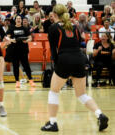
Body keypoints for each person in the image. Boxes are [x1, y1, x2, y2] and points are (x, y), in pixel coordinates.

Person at [41, 4, 109, 132]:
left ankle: (52, 123)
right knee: (82, 94)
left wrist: (57, 65)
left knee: (54, 91)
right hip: (79, 59)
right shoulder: (75, 26)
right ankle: (100, 114)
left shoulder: (53, 28)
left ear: (54, 15)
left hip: (64, 59)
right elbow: (78, 44)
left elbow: (54, 51)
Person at [6, 15, 36, 88]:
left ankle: (31, 80)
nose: (19, 19)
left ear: (21, 20)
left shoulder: (25, 28)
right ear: (15, 20)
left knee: (26, 66)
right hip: (14, 50)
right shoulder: (11, 28)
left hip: (23, 50)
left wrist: (27, 41)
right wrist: (11, 40)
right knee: (15, 66)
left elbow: (30, 38)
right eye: (17, 18)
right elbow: (7, 37)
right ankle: (17, 81)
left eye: (20, 18)